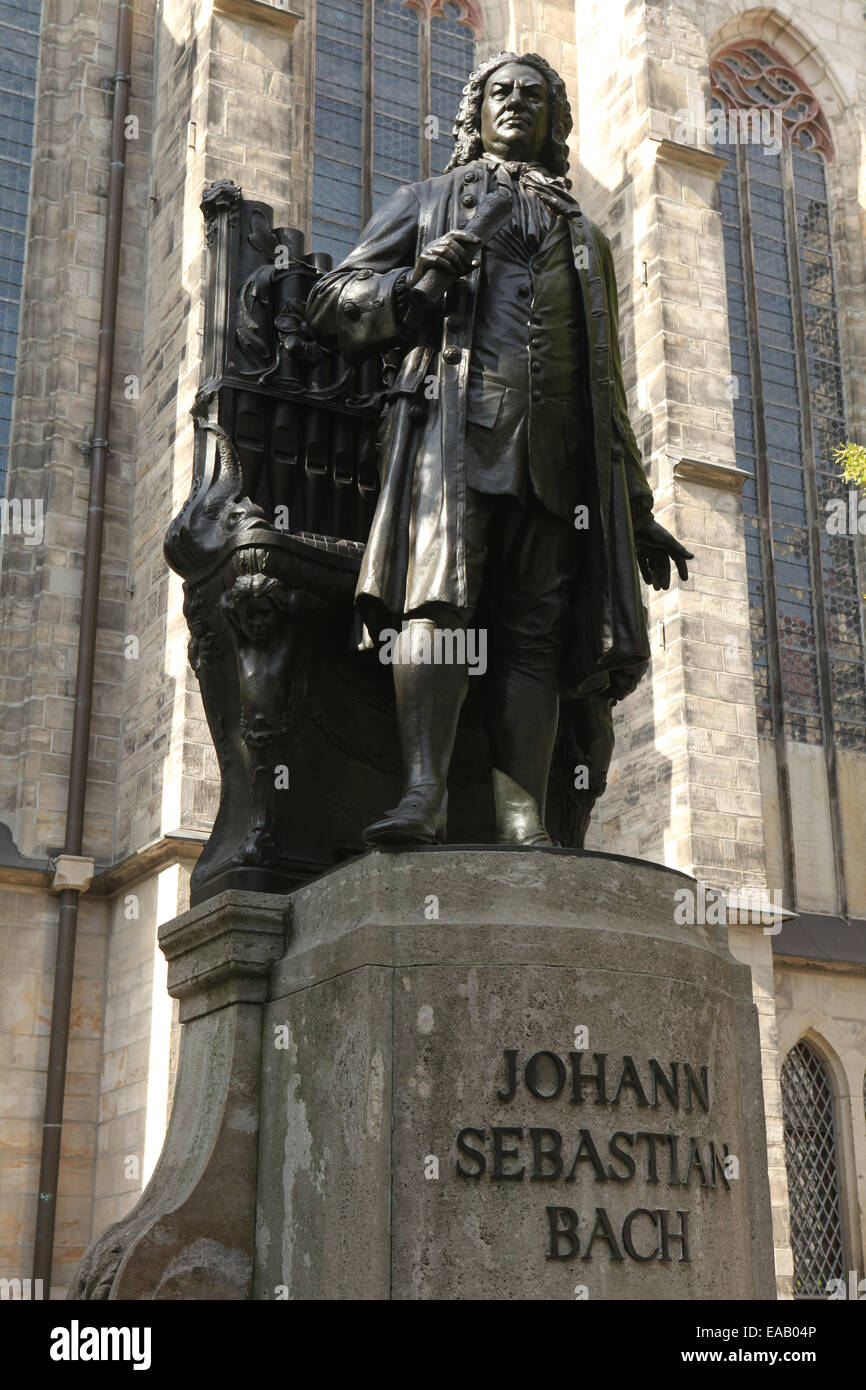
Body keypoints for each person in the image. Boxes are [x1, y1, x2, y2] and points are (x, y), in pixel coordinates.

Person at [306, 51, 692, 846]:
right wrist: (413, 285)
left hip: (557, 458)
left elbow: (606, 383)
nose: (516, 103)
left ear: (556, 121)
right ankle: (424, 794)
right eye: (499, 92)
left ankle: (524, 819)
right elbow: (330, 299)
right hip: (453, 435)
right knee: (437, 603)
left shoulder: (588, 239)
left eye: (535, 95)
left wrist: (636, 506)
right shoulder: (429, 201)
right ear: (473, 113)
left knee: (535, 636)